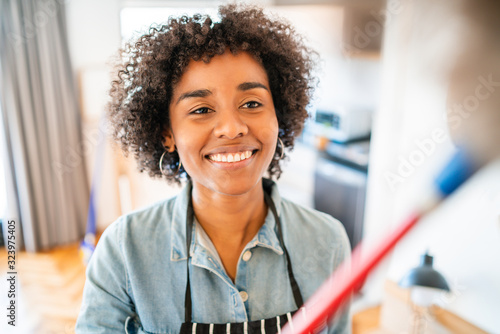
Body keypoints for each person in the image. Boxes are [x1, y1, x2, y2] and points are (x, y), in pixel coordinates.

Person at [75, 4, 351, 334]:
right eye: (202, 109)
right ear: (167, 134)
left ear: (279, 115)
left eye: (252, 104)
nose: (231, 128)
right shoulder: (124, 252)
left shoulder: (328, 242)